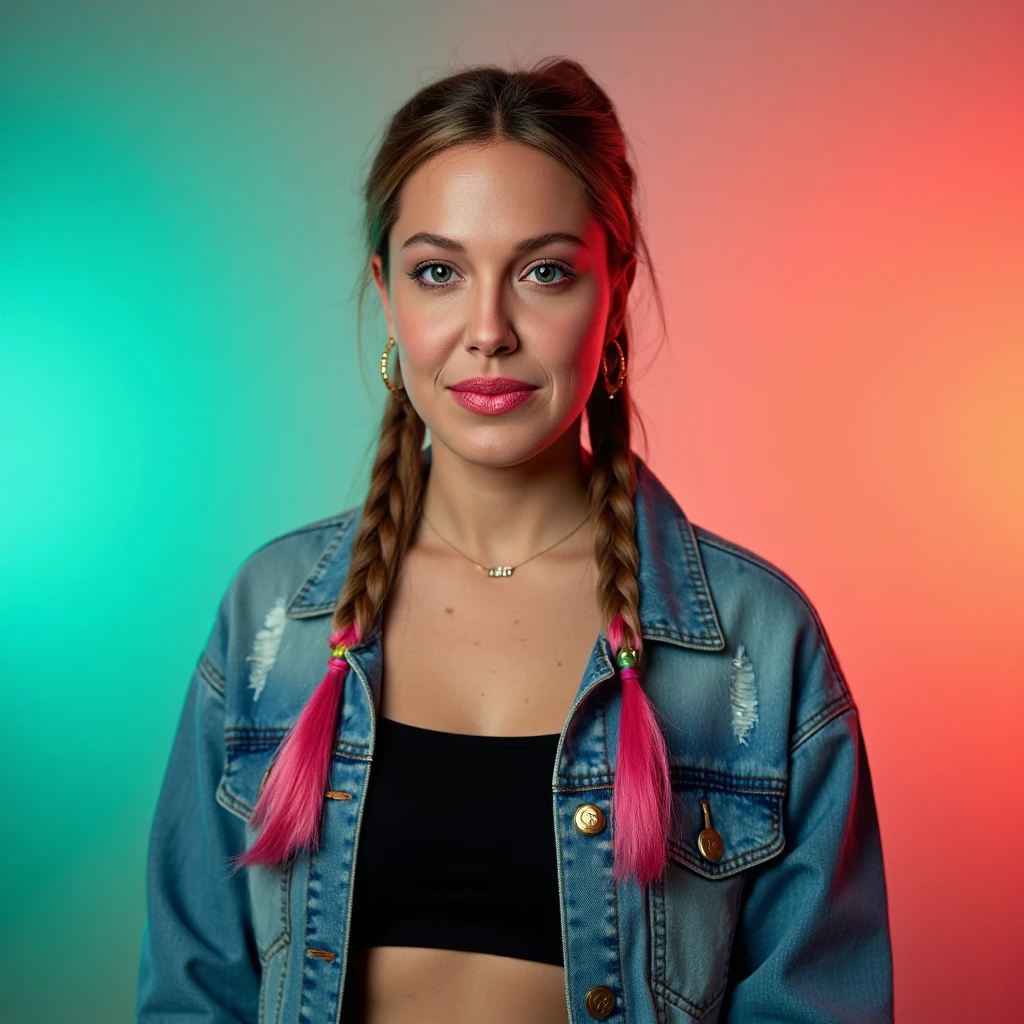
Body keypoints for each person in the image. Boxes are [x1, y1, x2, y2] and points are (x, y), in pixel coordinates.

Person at [136, 57, 894, 1024]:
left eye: (543, 272)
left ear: (612, 292)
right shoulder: (274, 616)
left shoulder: (757, 644)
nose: (487, 329)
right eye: (439, 272)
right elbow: (192, 992)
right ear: (388, 294)